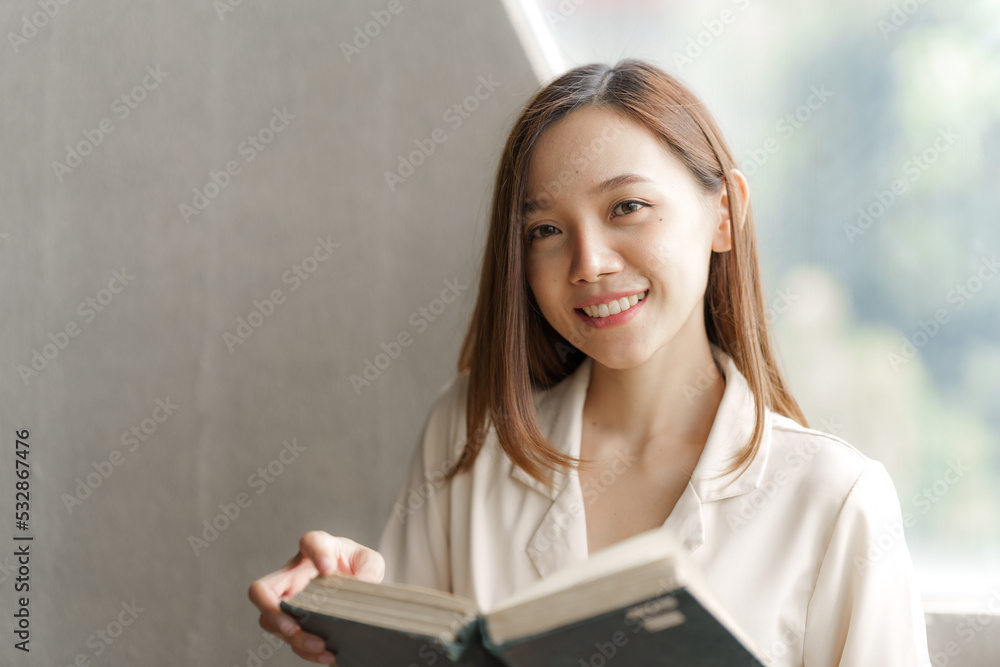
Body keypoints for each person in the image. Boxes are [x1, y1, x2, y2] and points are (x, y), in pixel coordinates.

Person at [249, 60, 931, 666]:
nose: (590, 263)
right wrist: (355, 616)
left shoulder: (835, 499)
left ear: (725, 214)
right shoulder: (468, 437)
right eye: (546, 230)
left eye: (627, 208)